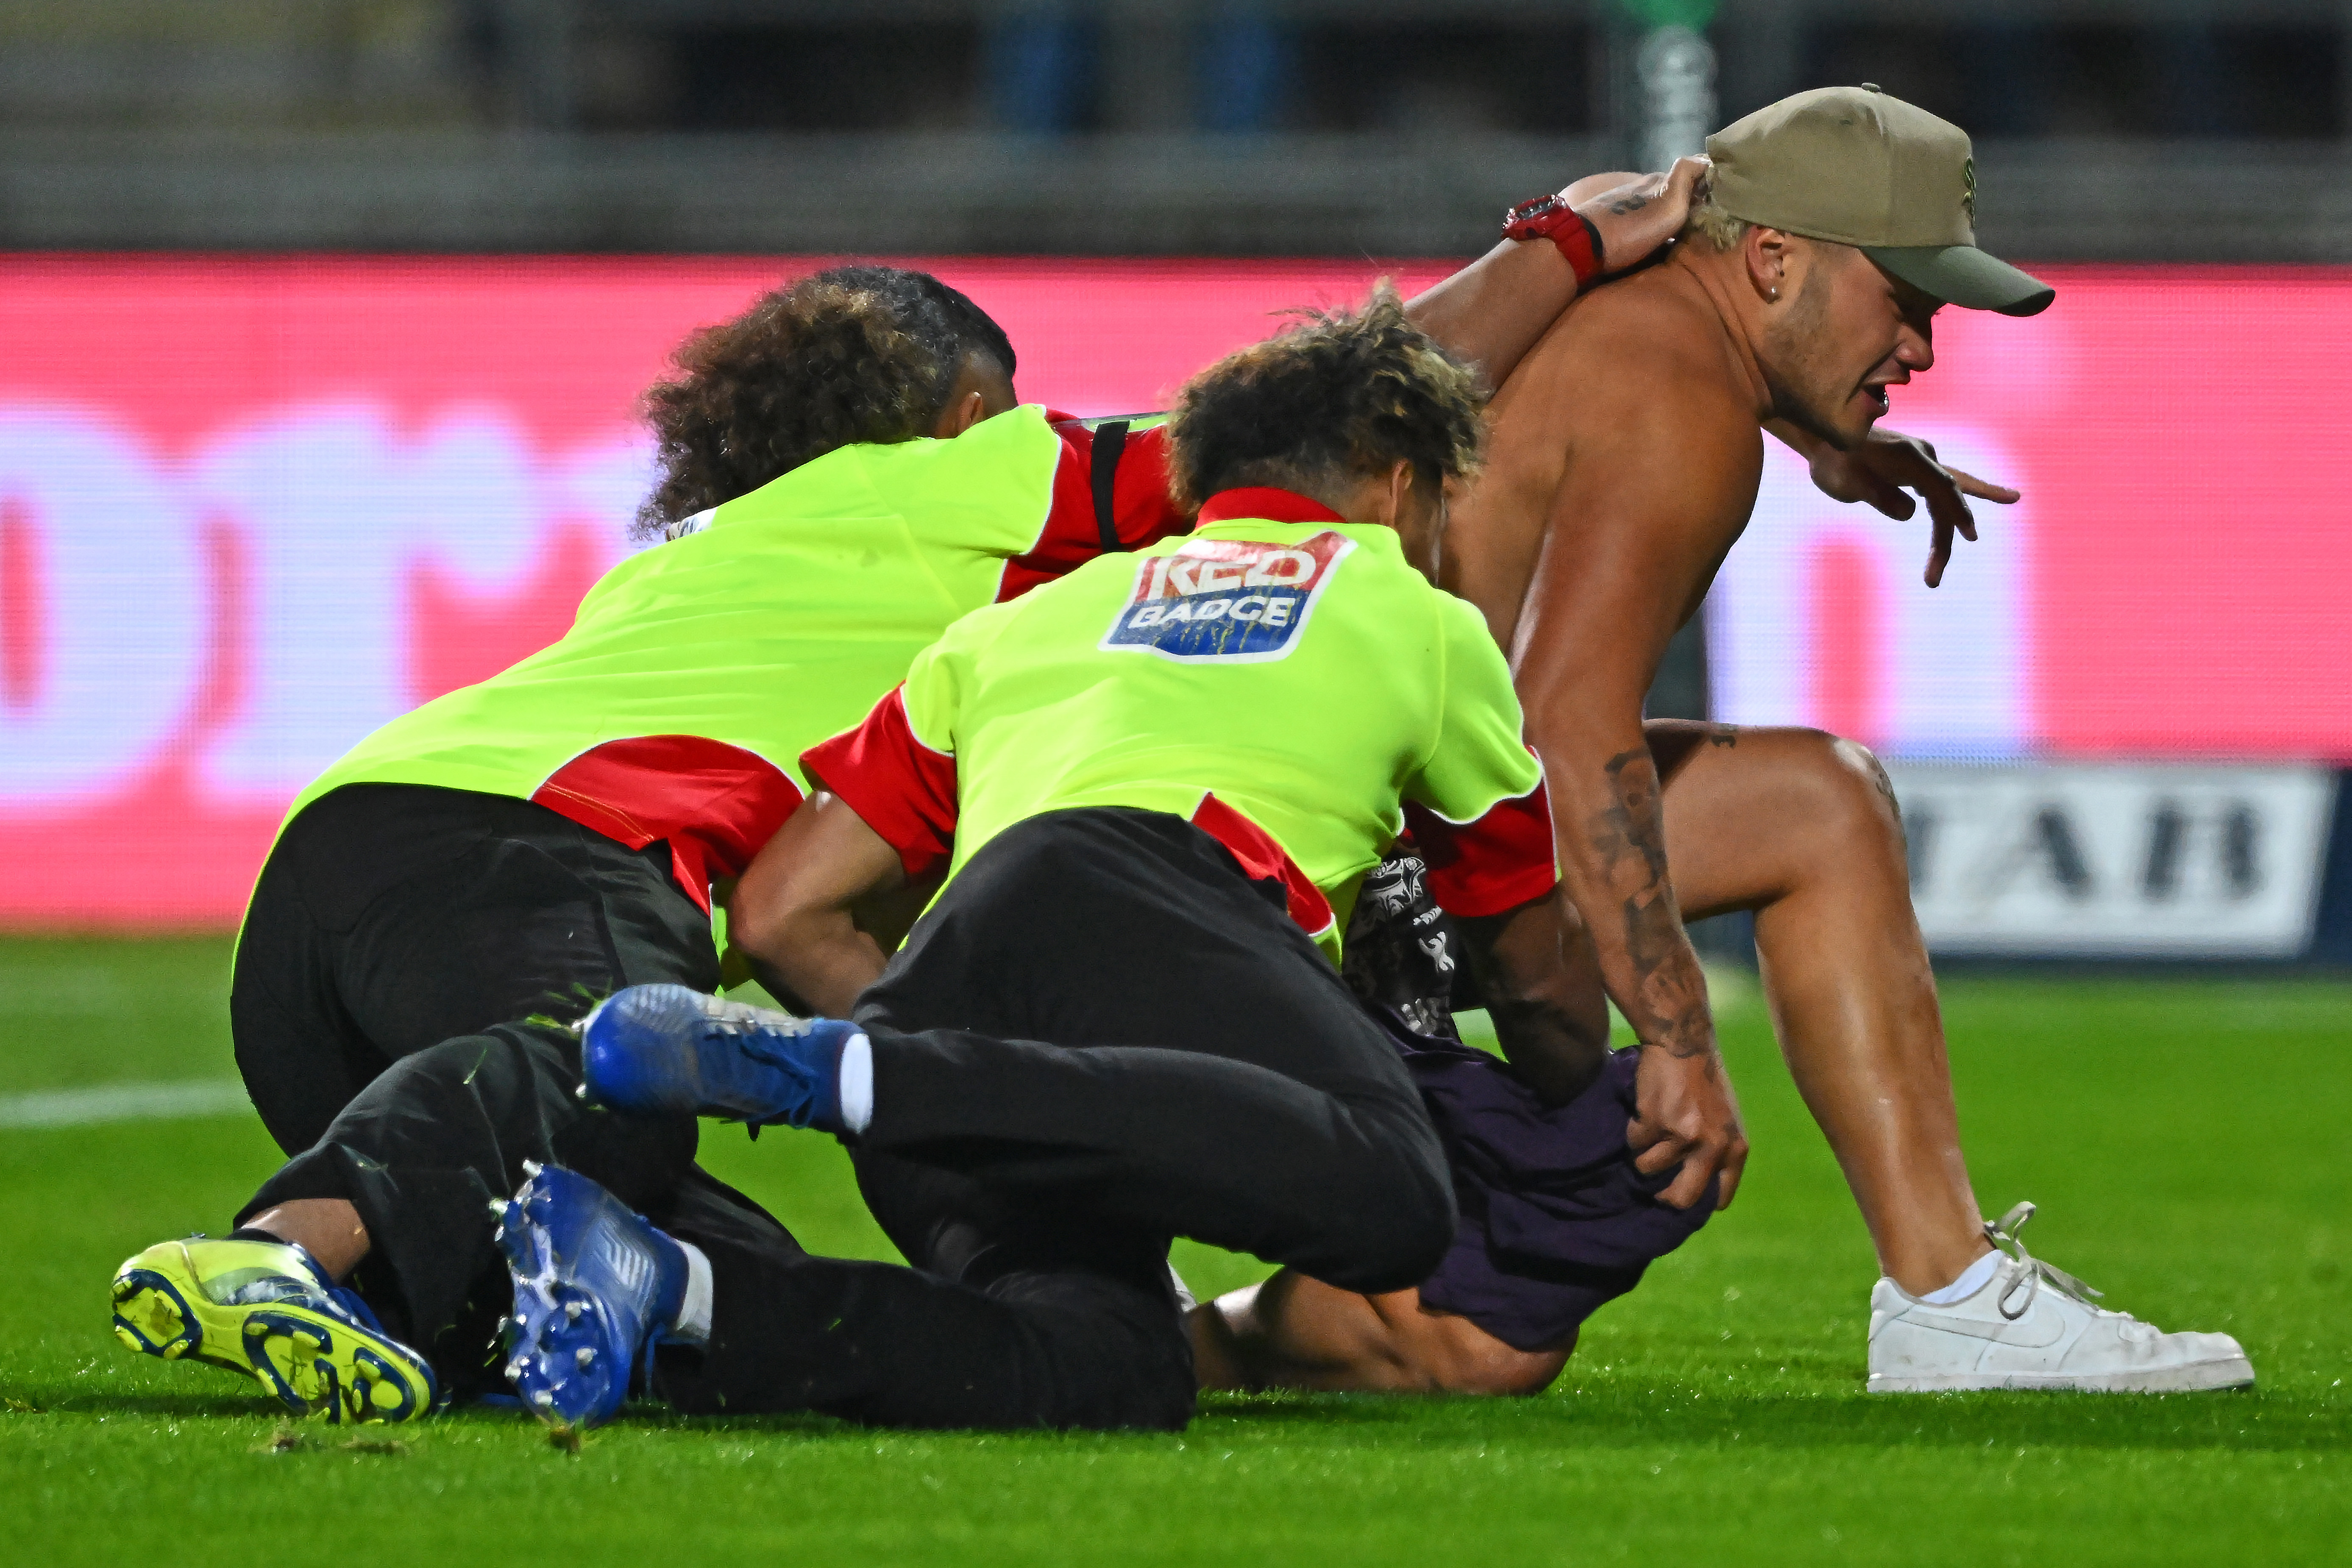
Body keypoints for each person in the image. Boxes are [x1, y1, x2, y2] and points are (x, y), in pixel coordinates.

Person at [107, 166, 1713, 1424]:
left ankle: (556, 1311)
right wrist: (1562, 246)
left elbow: (786, 911)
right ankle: (287, 1249)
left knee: (710, 1271)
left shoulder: (729, 556)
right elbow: (1295, 433)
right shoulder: (953, 485)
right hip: (540, 852)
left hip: (330, 907)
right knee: (606, 1080)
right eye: (1014, 412)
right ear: (961, 415)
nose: (1043, 444)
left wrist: (970, 1076)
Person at [1211, 86, 2251, 1395]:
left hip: (1212, 833)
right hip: (1319, 886)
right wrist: (1681, 1036)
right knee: (1818, 811)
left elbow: (1601, 396)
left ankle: (1161, 1319)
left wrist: (1823, 433)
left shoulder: (1607, 270)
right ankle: (1952, 1297)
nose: (1925, 346)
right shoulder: (1680, 400)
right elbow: (1564, 733)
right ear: (1773, 259)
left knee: (1475, 1340)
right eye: (1907, 297)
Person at [490, 293, 1630, 1432]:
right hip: (1170, 899)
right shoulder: (1416, 617)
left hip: (955, 974)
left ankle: (678, 1288)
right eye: (1442, 501)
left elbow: (784, 908)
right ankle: (849, 1078)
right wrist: (1589, 1096)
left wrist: (944, 1060)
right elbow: (1534, 975)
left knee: (1116, 1365)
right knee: (1393, 1192)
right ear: (1397, 479)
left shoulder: (1014, 626)